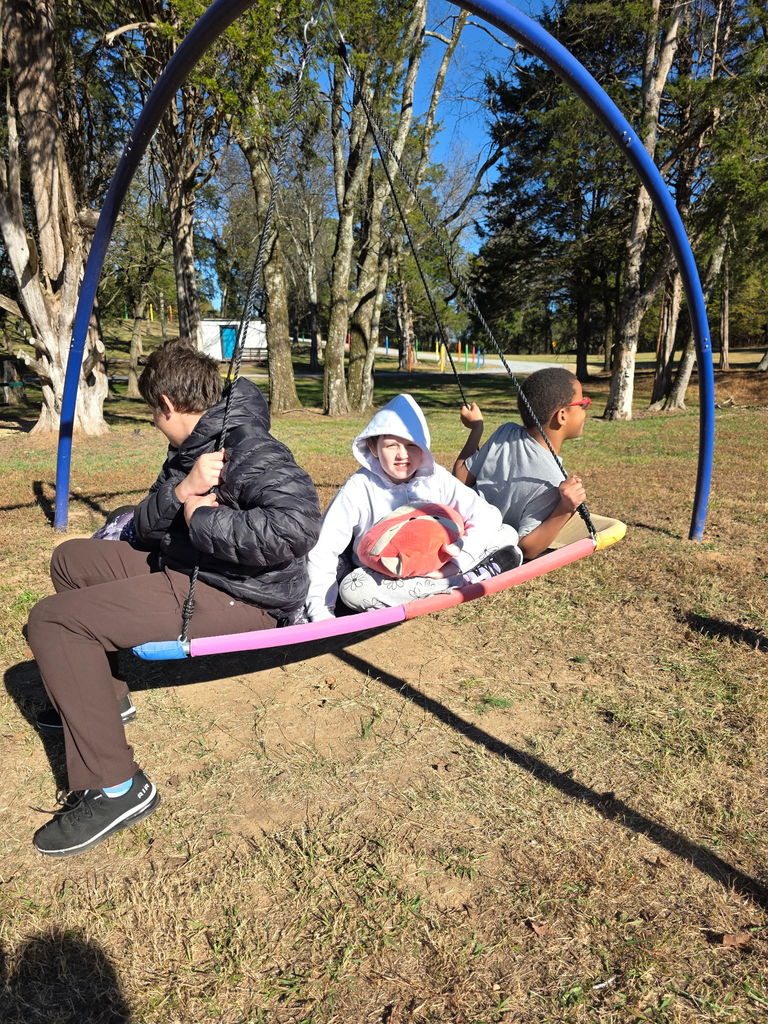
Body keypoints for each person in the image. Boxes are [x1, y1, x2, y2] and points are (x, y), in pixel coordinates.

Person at [26, 339, 321, 857]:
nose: (155, 423)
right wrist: (183, 491)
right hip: (194, 568)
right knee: (71, 560)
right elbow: (144, 524)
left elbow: (295, 528)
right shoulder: (192, 447)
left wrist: (200, 517)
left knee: (54, 621)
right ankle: (103, 702)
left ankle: (118, 788)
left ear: (165, 405)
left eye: (151, 414)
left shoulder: (248, 445)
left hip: (243, 596)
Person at [305, 393, 521, 621]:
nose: (402, 455)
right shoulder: (359, 487)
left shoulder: (436, 478)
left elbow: (487, 516)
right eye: (391, 446)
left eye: (411, 445)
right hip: (385, 576)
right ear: (373, 446)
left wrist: (457, 561)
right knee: (352, 590)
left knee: (507, 533)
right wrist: (321, 610)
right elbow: (324, 547)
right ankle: (462, 583)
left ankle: (447, 581)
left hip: (441, 563)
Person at [453, 367, 589, 560]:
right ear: (562, 416)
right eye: (583, 403)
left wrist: (477, 429)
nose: (585, 409)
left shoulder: (506, 432)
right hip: (478, 550)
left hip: (457, 523)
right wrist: (565, 508)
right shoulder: (554, 481)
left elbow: (460, 477)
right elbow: (525, 549)